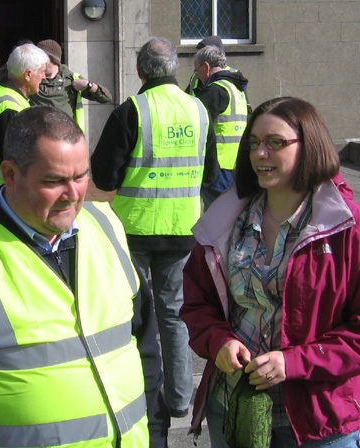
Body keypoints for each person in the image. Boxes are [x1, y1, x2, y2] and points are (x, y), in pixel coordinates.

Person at [0, 106, 170, 448]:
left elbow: (144, 347)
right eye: (54, 181)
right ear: (10, 174)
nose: (73, 195)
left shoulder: (107, 226)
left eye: (81, 176)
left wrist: (157, 436)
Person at [180, 96, 360, 447]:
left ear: (309, 146)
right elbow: (197, 305)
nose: (260, 153)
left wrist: (295, 362)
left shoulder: (351, 228)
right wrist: (218, 341)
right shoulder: (224, 223)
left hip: (319, 421)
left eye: (275, 142)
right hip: (233, 409)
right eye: (253, 143)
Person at [91, 37, 215, 419]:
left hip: (136, 230)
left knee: (133, 315)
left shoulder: (132, 111)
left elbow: (104, 177)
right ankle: (180, 400)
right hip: (182, 231)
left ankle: (137, 394)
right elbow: (209, 174)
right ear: (174, 68)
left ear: (141, 70)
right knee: (175, 316)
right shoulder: (198, 109)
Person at [193, 45, 249, 209]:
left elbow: (196, 122)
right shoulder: (236, 89)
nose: (196, 75)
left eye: (196, 70)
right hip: (235, 165)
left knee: (216, 217)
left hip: (217, 167)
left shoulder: (215, 91)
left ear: (206, 67)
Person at [0, 43, 48, 175]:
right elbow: (15, 163)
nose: (44, 77)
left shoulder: (1, 91)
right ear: (28, 74)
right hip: (4, 189)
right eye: (41, 72)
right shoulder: (8, 106)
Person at [29, 39, 112, 132]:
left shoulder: (71, 79)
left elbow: (106, 98)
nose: (35, 62)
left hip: (65, 138)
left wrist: (88, 85)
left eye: (39, 58)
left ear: (50, 59)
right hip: (37, 137)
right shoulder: (30, 78)